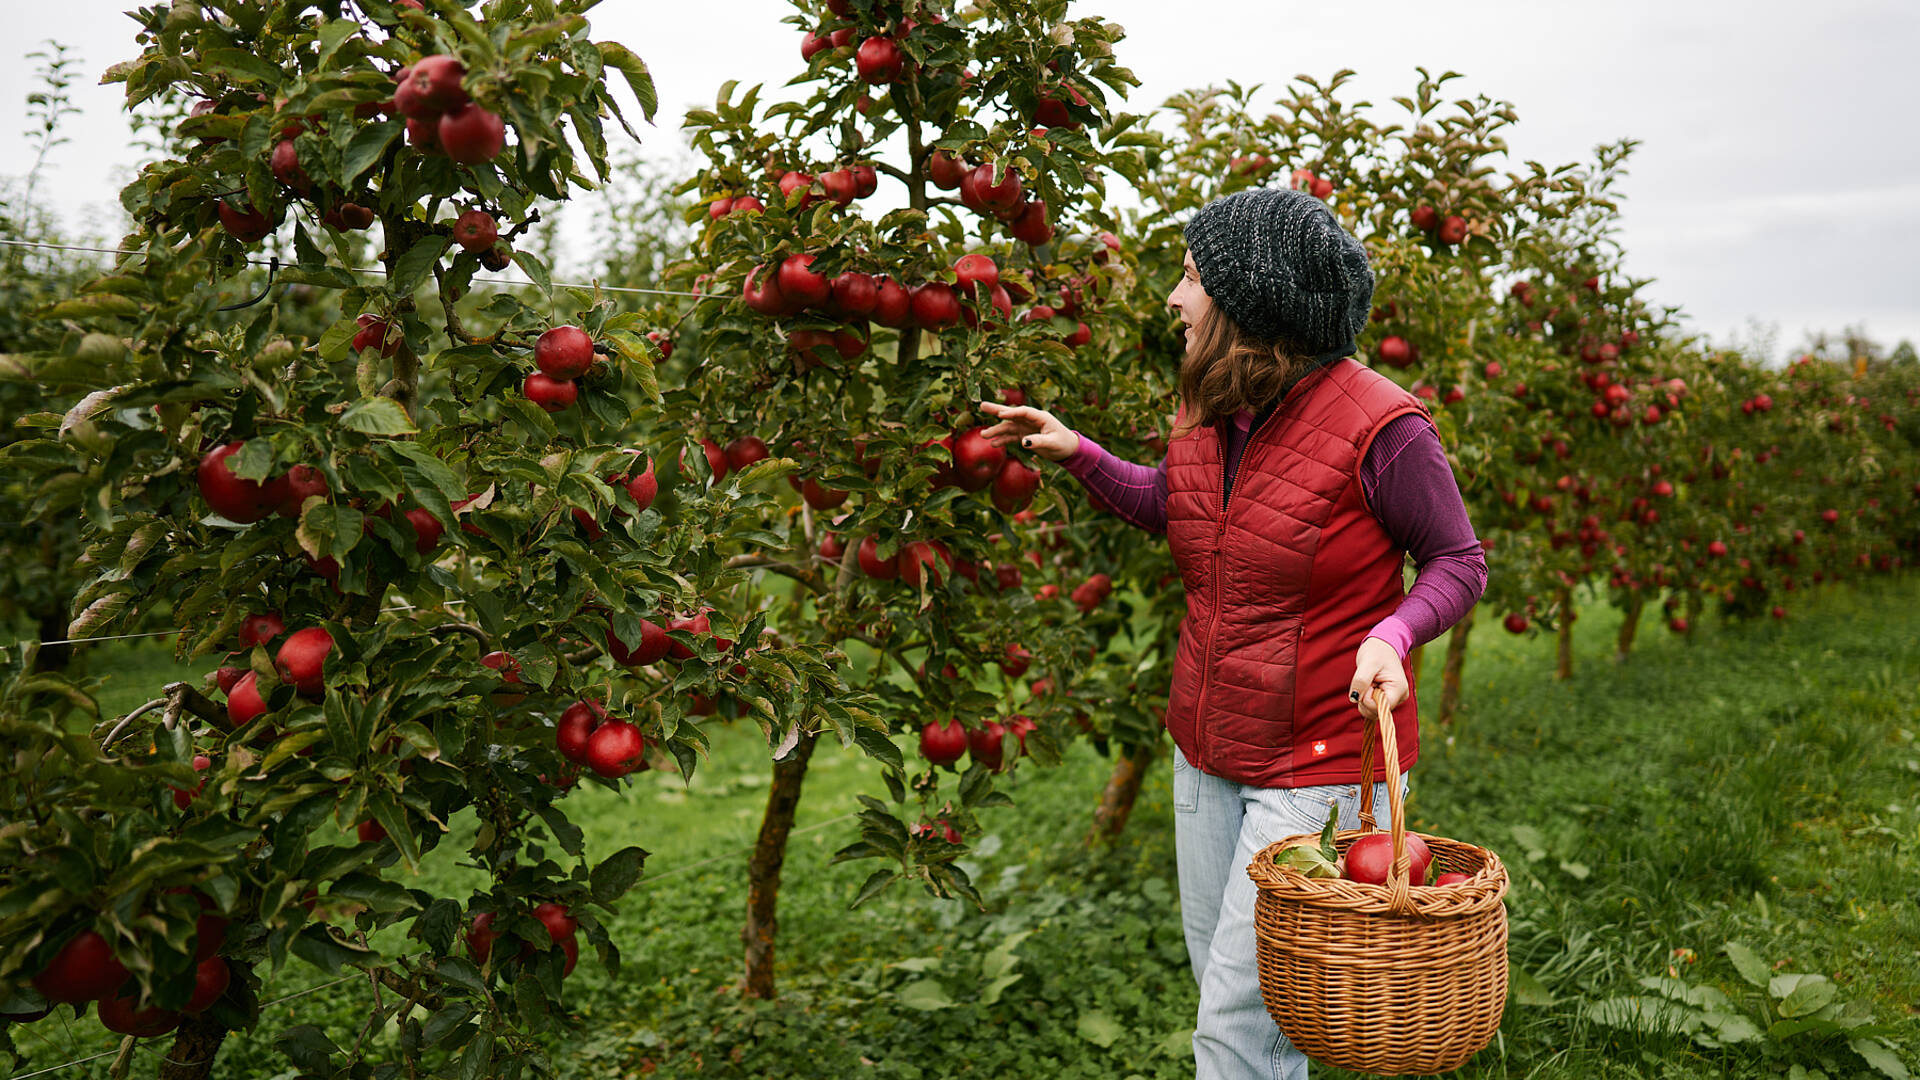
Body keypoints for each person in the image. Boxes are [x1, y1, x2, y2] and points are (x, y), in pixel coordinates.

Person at [979, 186, 1487, 1079]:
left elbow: (1458, 561)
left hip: (1320, 767)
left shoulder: (1386, 427)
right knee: (1244, 1002)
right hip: (1207, 748)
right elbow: (1187, 512)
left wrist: (1393, 634)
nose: (1173, 301)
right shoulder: (1213, 404)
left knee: (1235, 1031)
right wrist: (1083, 454)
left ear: (1249, 303)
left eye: (1188, 279)